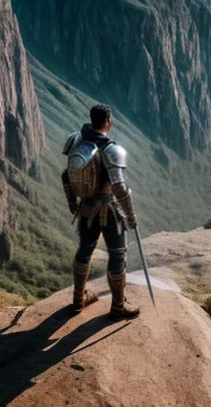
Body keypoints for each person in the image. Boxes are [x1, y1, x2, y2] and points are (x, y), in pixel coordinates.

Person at [61, 104, 141, 320]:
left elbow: (65, 176)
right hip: (111, 211)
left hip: (86, 208)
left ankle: (79, 300)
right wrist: (131, 216)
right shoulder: (112, 150)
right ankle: (118, 307)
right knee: (117, 255)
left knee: (84, 251)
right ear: (108, 121)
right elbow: (120, 188)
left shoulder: (76, 141)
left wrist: (72, 204)